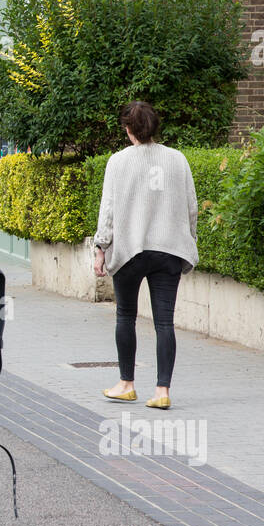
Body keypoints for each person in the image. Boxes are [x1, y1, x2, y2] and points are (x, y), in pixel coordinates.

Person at [93, 101, 198, 411]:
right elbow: (191, 207)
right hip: (168, 251)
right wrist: (188, 240)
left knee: (125, 315)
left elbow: (108, 212)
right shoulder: (177, 160)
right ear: (155, 127)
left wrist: (100, 249)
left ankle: (126, 384)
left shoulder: (118, 162)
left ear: (128, 130)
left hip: (130, 251)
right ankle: (162, 390)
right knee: (165, 323)